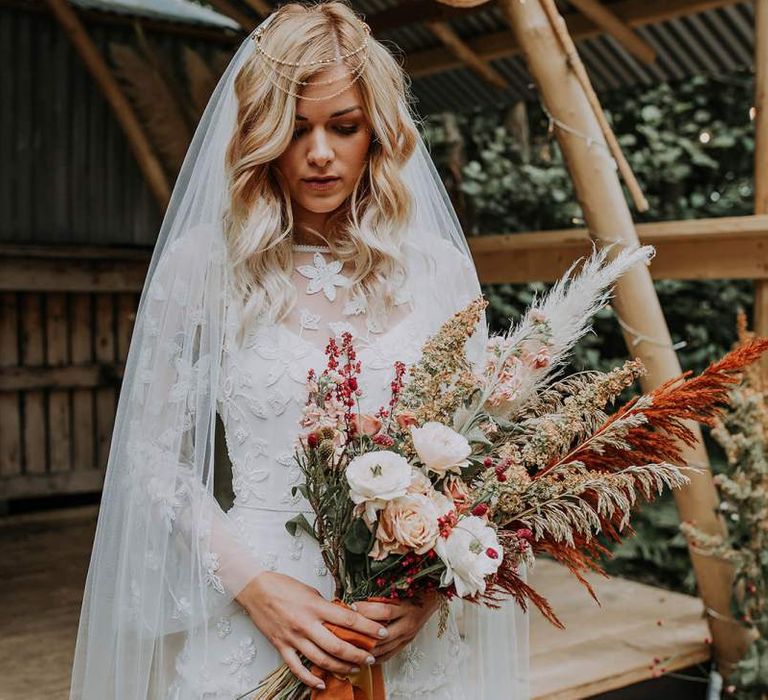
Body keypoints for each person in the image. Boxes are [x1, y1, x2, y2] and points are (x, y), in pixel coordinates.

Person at [68, 2, 529, 698]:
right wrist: (255, 588)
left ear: (377, 131)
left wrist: (432, 590)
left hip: (404, 637)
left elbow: (486, 454)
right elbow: (151, 454)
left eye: (343, 127)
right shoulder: (207, 265)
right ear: (261, 136)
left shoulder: (435, 268)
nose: (319, 152)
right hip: (260, 624)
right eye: (294, 129)